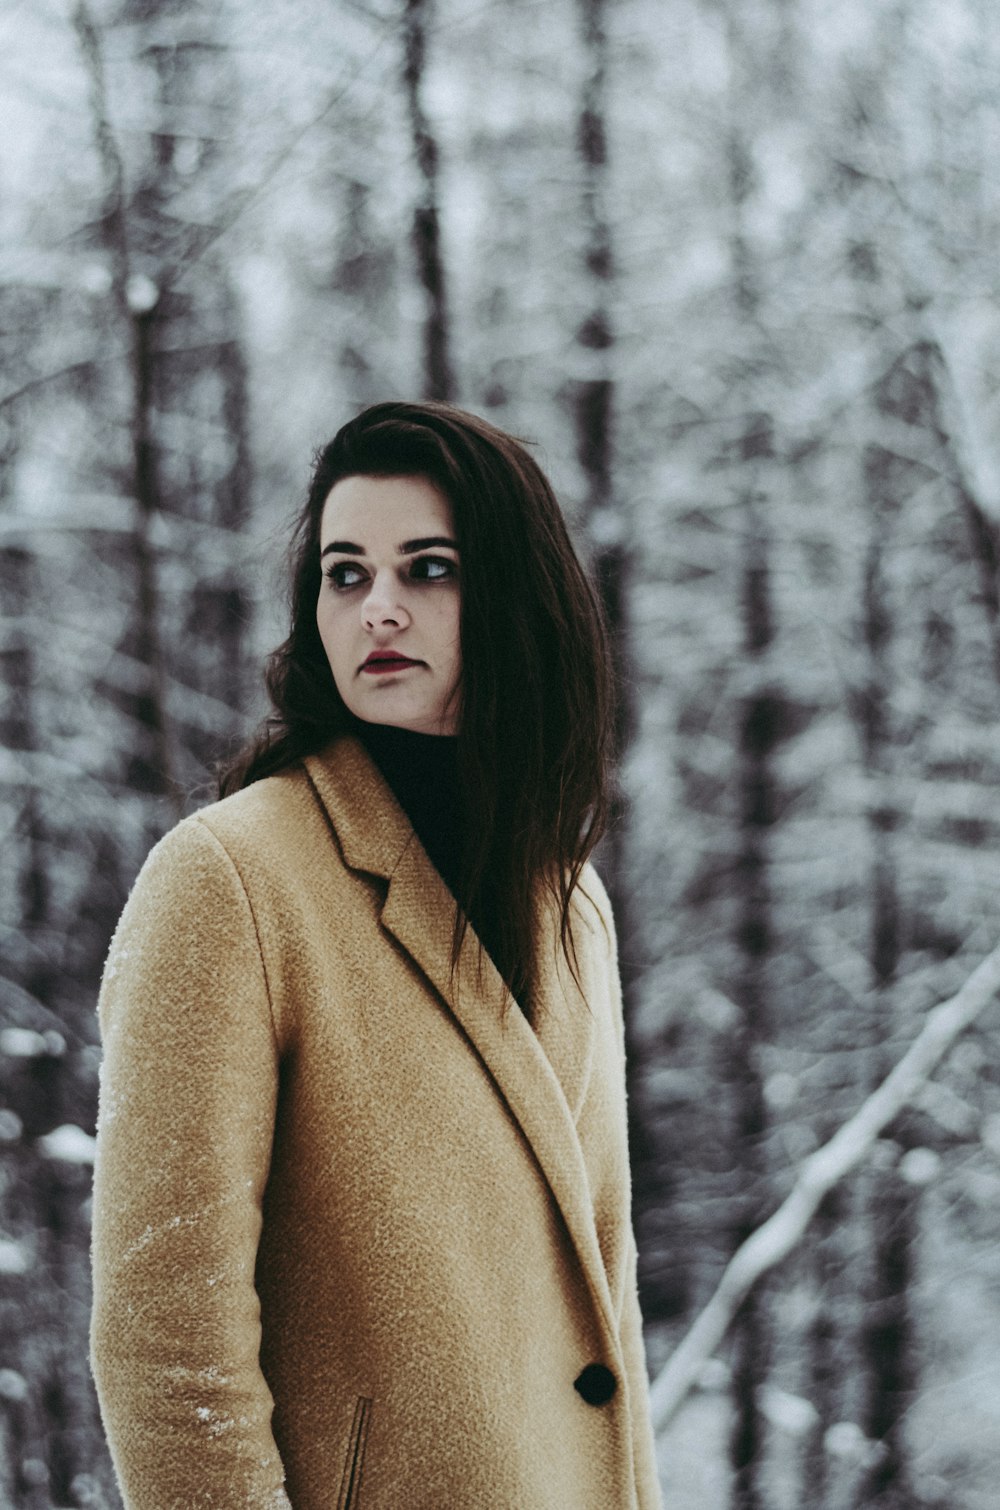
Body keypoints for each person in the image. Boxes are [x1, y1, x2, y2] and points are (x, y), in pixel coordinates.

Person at [90, 400, 663, 1509]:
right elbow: (168, 1340)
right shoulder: (232, 878)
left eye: (429, 568)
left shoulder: (569, 896)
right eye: (345, 574)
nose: (379, 609)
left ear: (514, 593)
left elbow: (606, 1300)